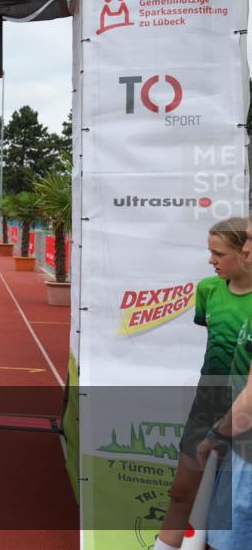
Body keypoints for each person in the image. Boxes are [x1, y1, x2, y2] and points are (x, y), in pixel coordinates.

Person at [155, 218, 252, 550]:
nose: (211, 260)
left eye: (218, 253)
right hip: (206, 404)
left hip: (243, 414)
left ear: (244, 253)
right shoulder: (208, 290)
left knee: (230, 511)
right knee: (182, 491)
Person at [198, 219, 252, 550]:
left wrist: (218, 434)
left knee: (224, 538)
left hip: (241, 435)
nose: (247, 248)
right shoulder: (208, 291)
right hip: (231, 424)